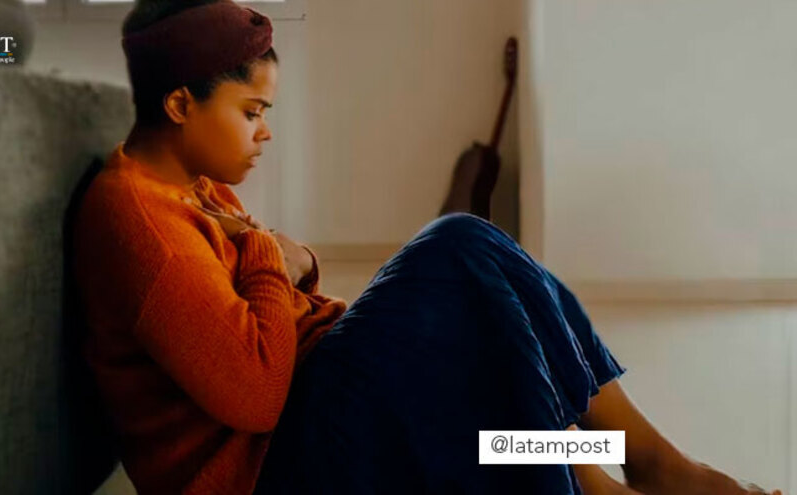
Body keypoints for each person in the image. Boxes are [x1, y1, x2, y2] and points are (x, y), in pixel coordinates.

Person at [69, 1, 782, 493]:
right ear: (179, 104)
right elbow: (254, 393)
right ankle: (643, 466)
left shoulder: (194, 185)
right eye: (251, 112)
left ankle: (612, 470)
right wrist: (264, 253)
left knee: (478, 385)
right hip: (271, 467)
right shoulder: (139, 222)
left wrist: (292, 262)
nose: (265, 132)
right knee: (457, 246)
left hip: (304, 410)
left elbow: (276, 287)